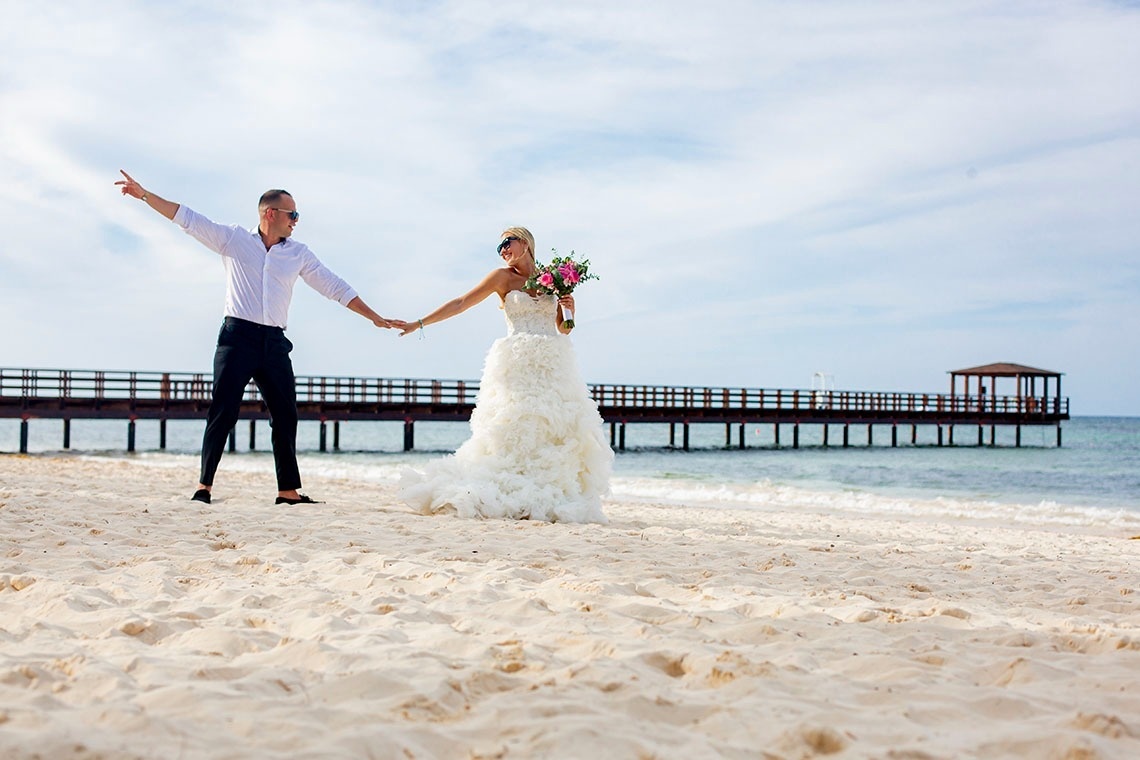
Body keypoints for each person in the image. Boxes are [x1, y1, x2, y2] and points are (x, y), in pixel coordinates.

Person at [115, 170, 404, 505]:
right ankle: (204, 487)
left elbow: (333, 286)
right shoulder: (233, 239)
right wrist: (145, 195)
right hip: (237, 338)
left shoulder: (298, 253)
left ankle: (288, 491)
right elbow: (187, 218)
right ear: (271, 214)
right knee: (223, 411)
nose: (296, 220)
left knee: (285, 414)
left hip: (274, 344)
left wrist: (374, 317)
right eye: (292, 214)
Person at [395, 227, 612, 523]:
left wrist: (570, 309)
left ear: (525, 242)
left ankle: (547, 489)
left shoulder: (554, 277)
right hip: (517, 359)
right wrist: (419, 323)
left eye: (506, 243)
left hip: (553, 361)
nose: (503, 250)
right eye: (499, 248)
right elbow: (461, 302)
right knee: (516, 421)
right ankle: (509, 484)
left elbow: (564, 328)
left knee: (554, 425)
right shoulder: (502, 278)